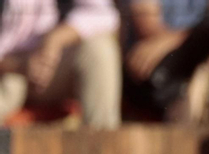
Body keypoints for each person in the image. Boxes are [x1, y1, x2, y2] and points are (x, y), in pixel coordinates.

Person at [0, 0, 120, 128]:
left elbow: (103, 15)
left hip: (50, 68)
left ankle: (100, 141)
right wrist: (14, 65)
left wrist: (55, 39)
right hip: (6, 71)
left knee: (99, 50)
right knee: (9, 86)